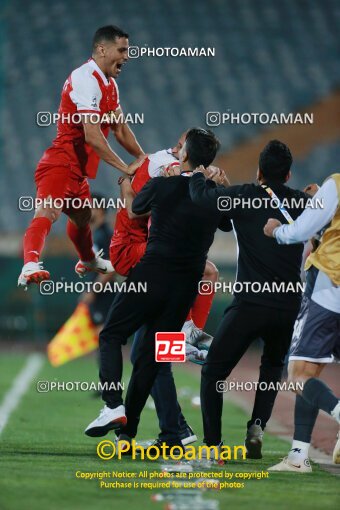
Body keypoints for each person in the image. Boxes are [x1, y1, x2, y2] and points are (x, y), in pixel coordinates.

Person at [84, 128, 231, 450]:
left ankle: (113, 405)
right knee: (150, 358)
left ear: (184, 155)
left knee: (111, 336)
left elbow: (135, 210)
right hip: (184, 290)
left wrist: (129, 182)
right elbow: (227, 222)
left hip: (151, 277)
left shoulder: (165, 182)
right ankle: (153, 432)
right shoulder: (214, 195)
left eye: (179, 146)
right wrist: (221, 186)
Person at [189, 139, 312, 458]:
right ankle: (257, 426)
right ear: (287, 176)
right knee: (272, 367)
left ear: (259, 171)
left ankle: (213, 445)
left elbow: (202, 200)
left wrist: (200, 174)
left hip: (251, 303)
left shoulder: (245, 195)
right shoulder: (300, 202)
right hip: (289, 305)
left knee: (213, 371)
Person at [18, 25, 145, 288]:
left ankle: (87, 260)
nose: (127, 56)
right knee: (48, 211)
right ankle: (30, 264)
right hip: (59, 162)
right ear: (102, 49)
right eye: (122, 50)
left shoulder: (109, 84)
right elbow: (92, 135)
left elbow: (119, 128)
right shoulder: (85, 78)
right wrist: (126, 167)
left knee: (82, 218)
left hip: (78, 169)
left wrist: (144, 157)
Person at [264, 173, 340, 472]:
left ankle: (300, 454)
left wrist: (277, 231)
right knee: (310, 374)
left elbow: (302, 231)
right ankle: (298, 454)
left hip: (330, 285)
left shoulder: (337, 183)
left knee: (299, 374)